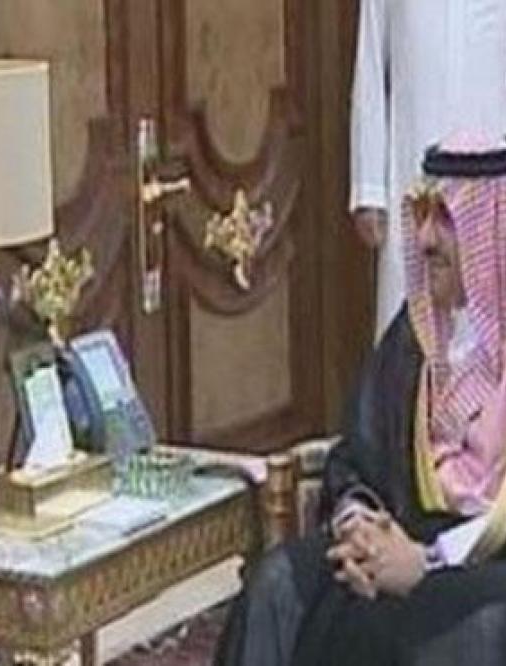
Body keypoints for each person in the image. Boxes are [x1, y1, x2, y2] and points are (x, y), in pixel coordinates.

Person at [214, 134, 506, 666]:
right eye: (423, 215)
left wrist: (428, 562)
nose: (425, 238)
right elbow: (357, 457)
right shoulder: (417, 333)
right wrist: (360, 527)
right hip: (400, 536)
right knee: (277, 584)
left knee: (474, 631)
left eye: (446, 219)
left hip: (489, 566)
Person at [350, 0, 506, 339]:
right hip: (413, 175)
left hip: (493, 184)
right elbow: (371, 61)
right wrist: (369, 187)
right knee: (409, 332)